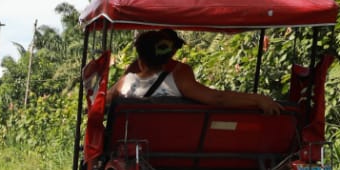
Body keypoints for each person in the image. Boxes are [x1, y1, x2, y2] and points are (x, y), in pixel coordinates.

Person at [109, 29, 284, 115]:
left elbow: (102, 104)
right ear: (170, 56)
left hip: (133, 149)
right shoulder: (179, 78)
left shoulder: (124, 83)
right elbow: (217, 99)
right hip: (174, 147)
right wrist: (258, 99)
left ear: (140, 61)